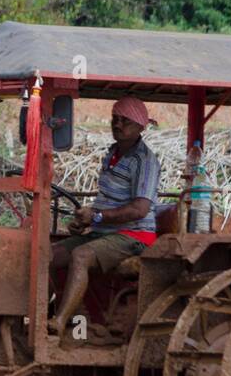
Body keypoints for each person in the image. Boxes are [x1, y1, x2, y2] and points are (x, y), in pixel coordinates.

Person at [48, 96, 160, 337]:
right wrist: (84, 219)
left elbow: (139, 209)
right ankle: (75, 318)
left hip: (134, 235)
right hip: (106, 231)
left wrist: (96, 217)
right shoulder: (113, 153)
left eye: (125, 121)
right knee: (48, 255)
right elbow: (108, 202)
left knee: (81, 255)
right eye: (115, 119)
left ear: (141, 126)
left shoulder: (144, 161)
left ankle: (61, 321)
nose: (117, 125)